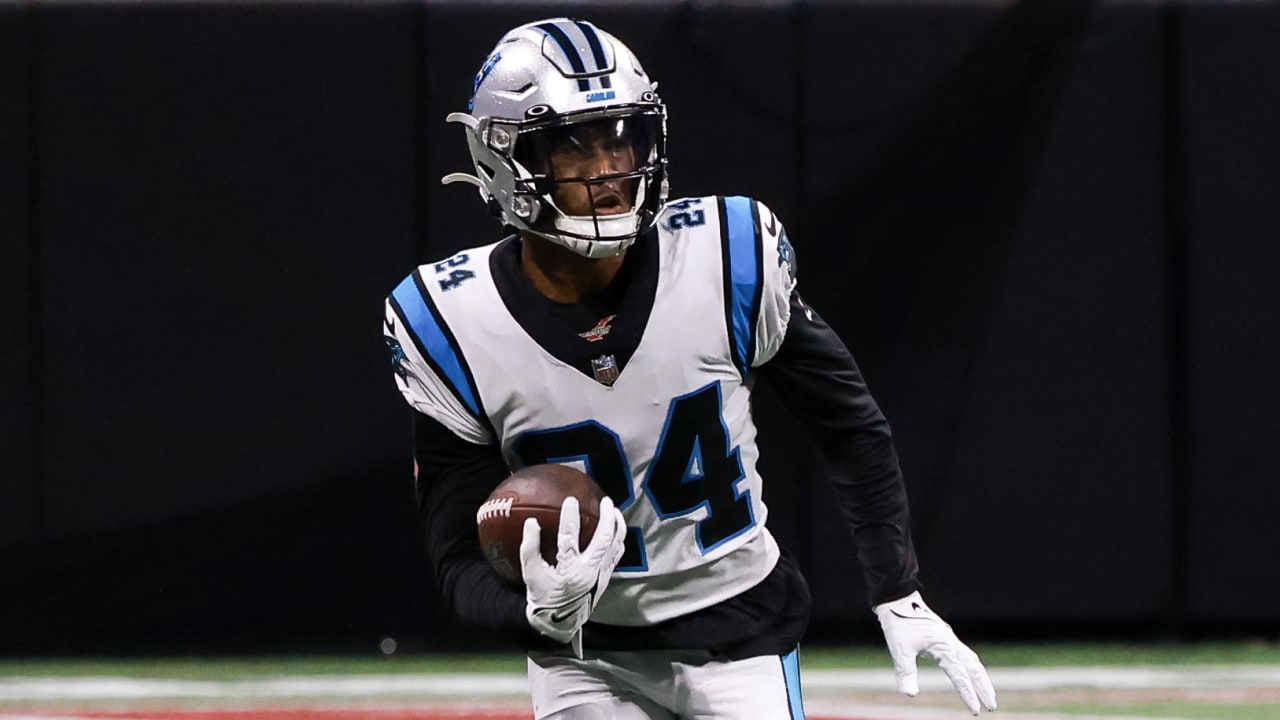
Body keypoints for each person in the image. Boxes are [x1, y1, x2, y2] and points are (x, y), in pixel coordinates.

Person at [383, 17, 997, 720]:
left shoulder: (726, 256)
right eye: (574, 148)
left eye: (623, 138)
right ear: (503, 159)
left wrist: (898, 589)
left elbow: (849, 427)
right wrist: (536, 617)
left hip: (741, 631)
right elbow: (456, 556)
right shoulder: (449, 320)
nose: (610, 170)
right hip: (583, 656)